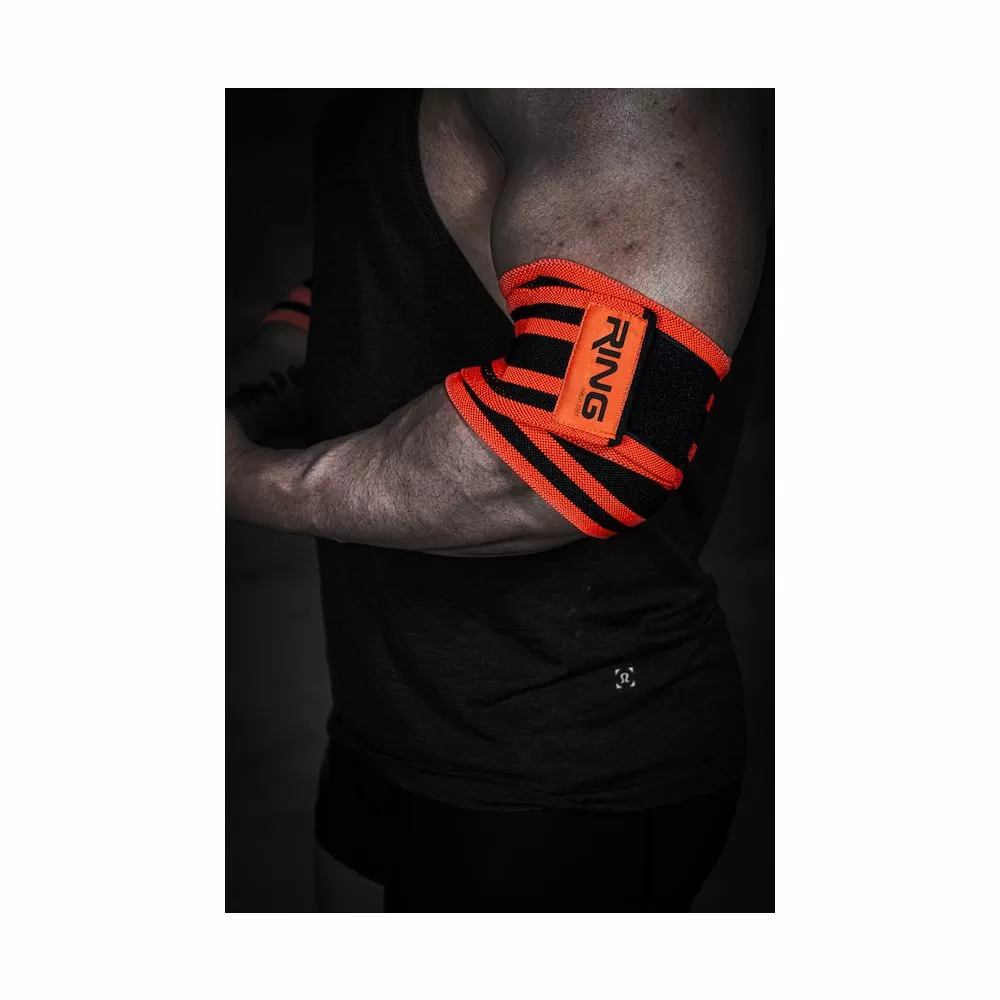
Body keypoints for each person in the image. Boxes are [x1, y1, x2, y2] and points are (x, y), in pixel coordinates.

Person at [226, 88, 772, 912]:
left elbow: (581, 447)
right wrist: (239, 402)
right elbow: (376, 284)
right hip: (387, 724)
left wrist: (241, 478)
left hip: (567, 769)